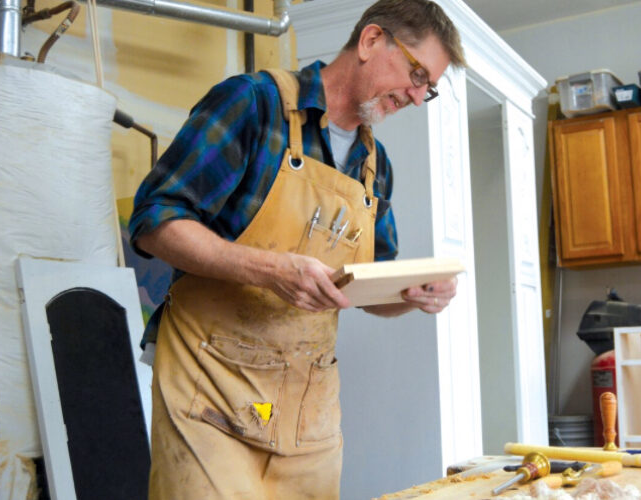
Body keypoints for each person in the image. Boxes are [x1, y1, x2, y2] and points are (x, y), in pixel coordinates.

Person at [127, 0, 466, 498]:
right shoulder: (252, 103)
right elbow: (154, 221)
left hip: (308, 409)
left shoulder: (376, 165)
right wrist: (268, 269)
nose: (417, 97)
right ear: (372, 41)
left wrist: (411, 296)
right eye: (417, 75)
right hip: (212, 389)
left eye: (428, 89)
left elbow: (370, 286)